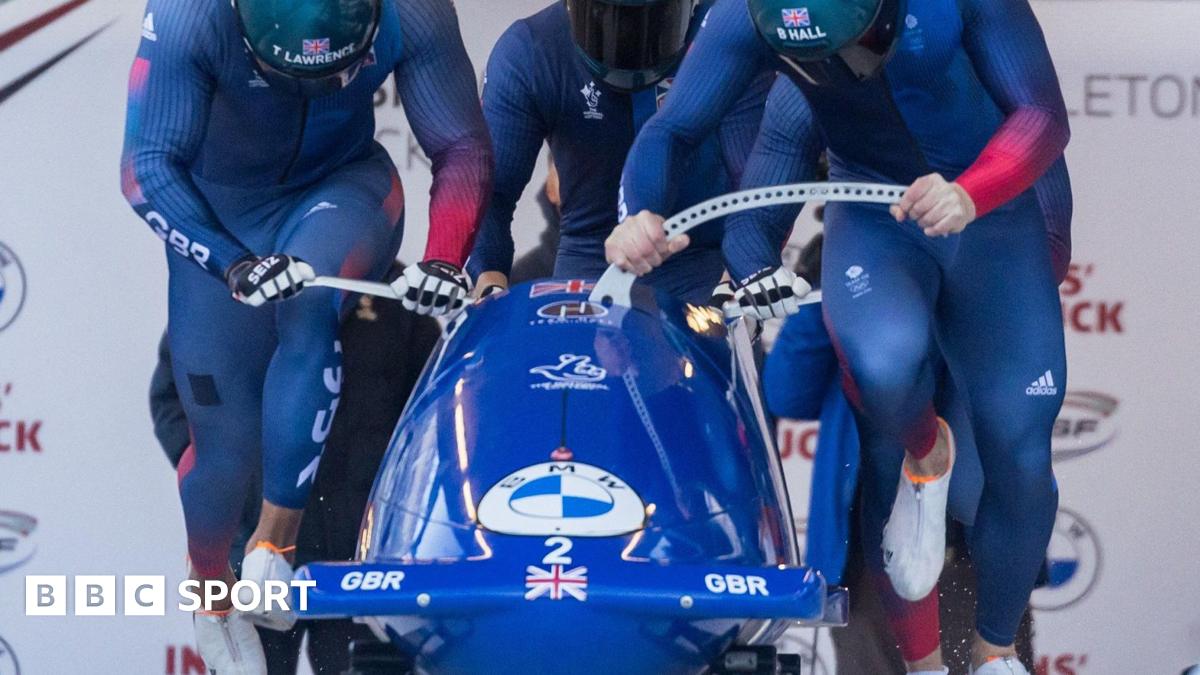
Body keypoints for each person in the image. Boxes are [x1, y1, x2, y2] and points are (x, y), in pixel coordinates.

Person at [613, 1, 1070, 672]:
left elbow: (1042, 118)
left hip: (991, 218)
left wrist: (974, 191)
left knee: (1021, 446)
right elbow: (677, 127)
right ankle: (925, 465)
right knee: (883, 370)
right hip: (875, 214)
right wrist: (640, 211)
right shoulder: (751, 21)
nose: (842, 71)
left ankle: (995, 649)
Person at [120, 0, 492, 670]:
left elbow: (460, 143)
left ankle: (274, 543)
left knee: (308, 299)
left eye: (335, 75)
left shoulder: (415, 9)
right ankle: (211, 587)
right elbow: (145, 166)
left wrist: (444, 255)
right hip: (220, 211)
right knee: (222, 448)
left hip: (343, 183)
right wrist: (227, 261)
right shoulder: (188, 16)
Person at [467, 0, 772, 304]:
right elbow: (492, 193)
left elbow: (756, 183)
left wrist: (736, 280)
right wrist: (489, 285)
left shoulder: (727, 29)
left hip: (702, 260)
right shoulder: (530, 51)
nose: (629, 39)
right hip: (591, 258)